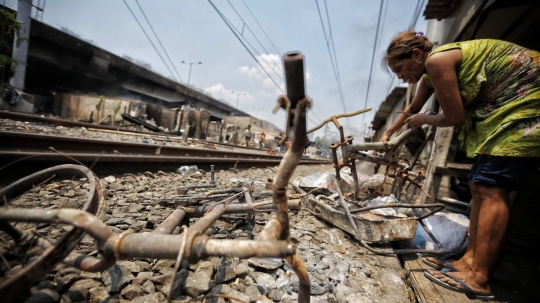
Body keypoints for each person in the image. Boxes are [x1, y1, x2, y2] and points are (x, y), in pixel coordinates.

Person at [381, 31, 540, 300]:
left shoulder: (437, 62)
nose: (399, 76)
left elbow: (454, 116)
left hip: (525, 105)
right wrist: (389, 134)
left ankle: (479, 277)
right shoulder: (431, 71)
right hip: (504, 109)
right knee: (479, 184)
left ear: (417, 55)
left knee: (491, 187)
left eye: (399, 68)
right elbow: (412, 107)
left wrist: (425, 120)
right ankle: (468, 262)